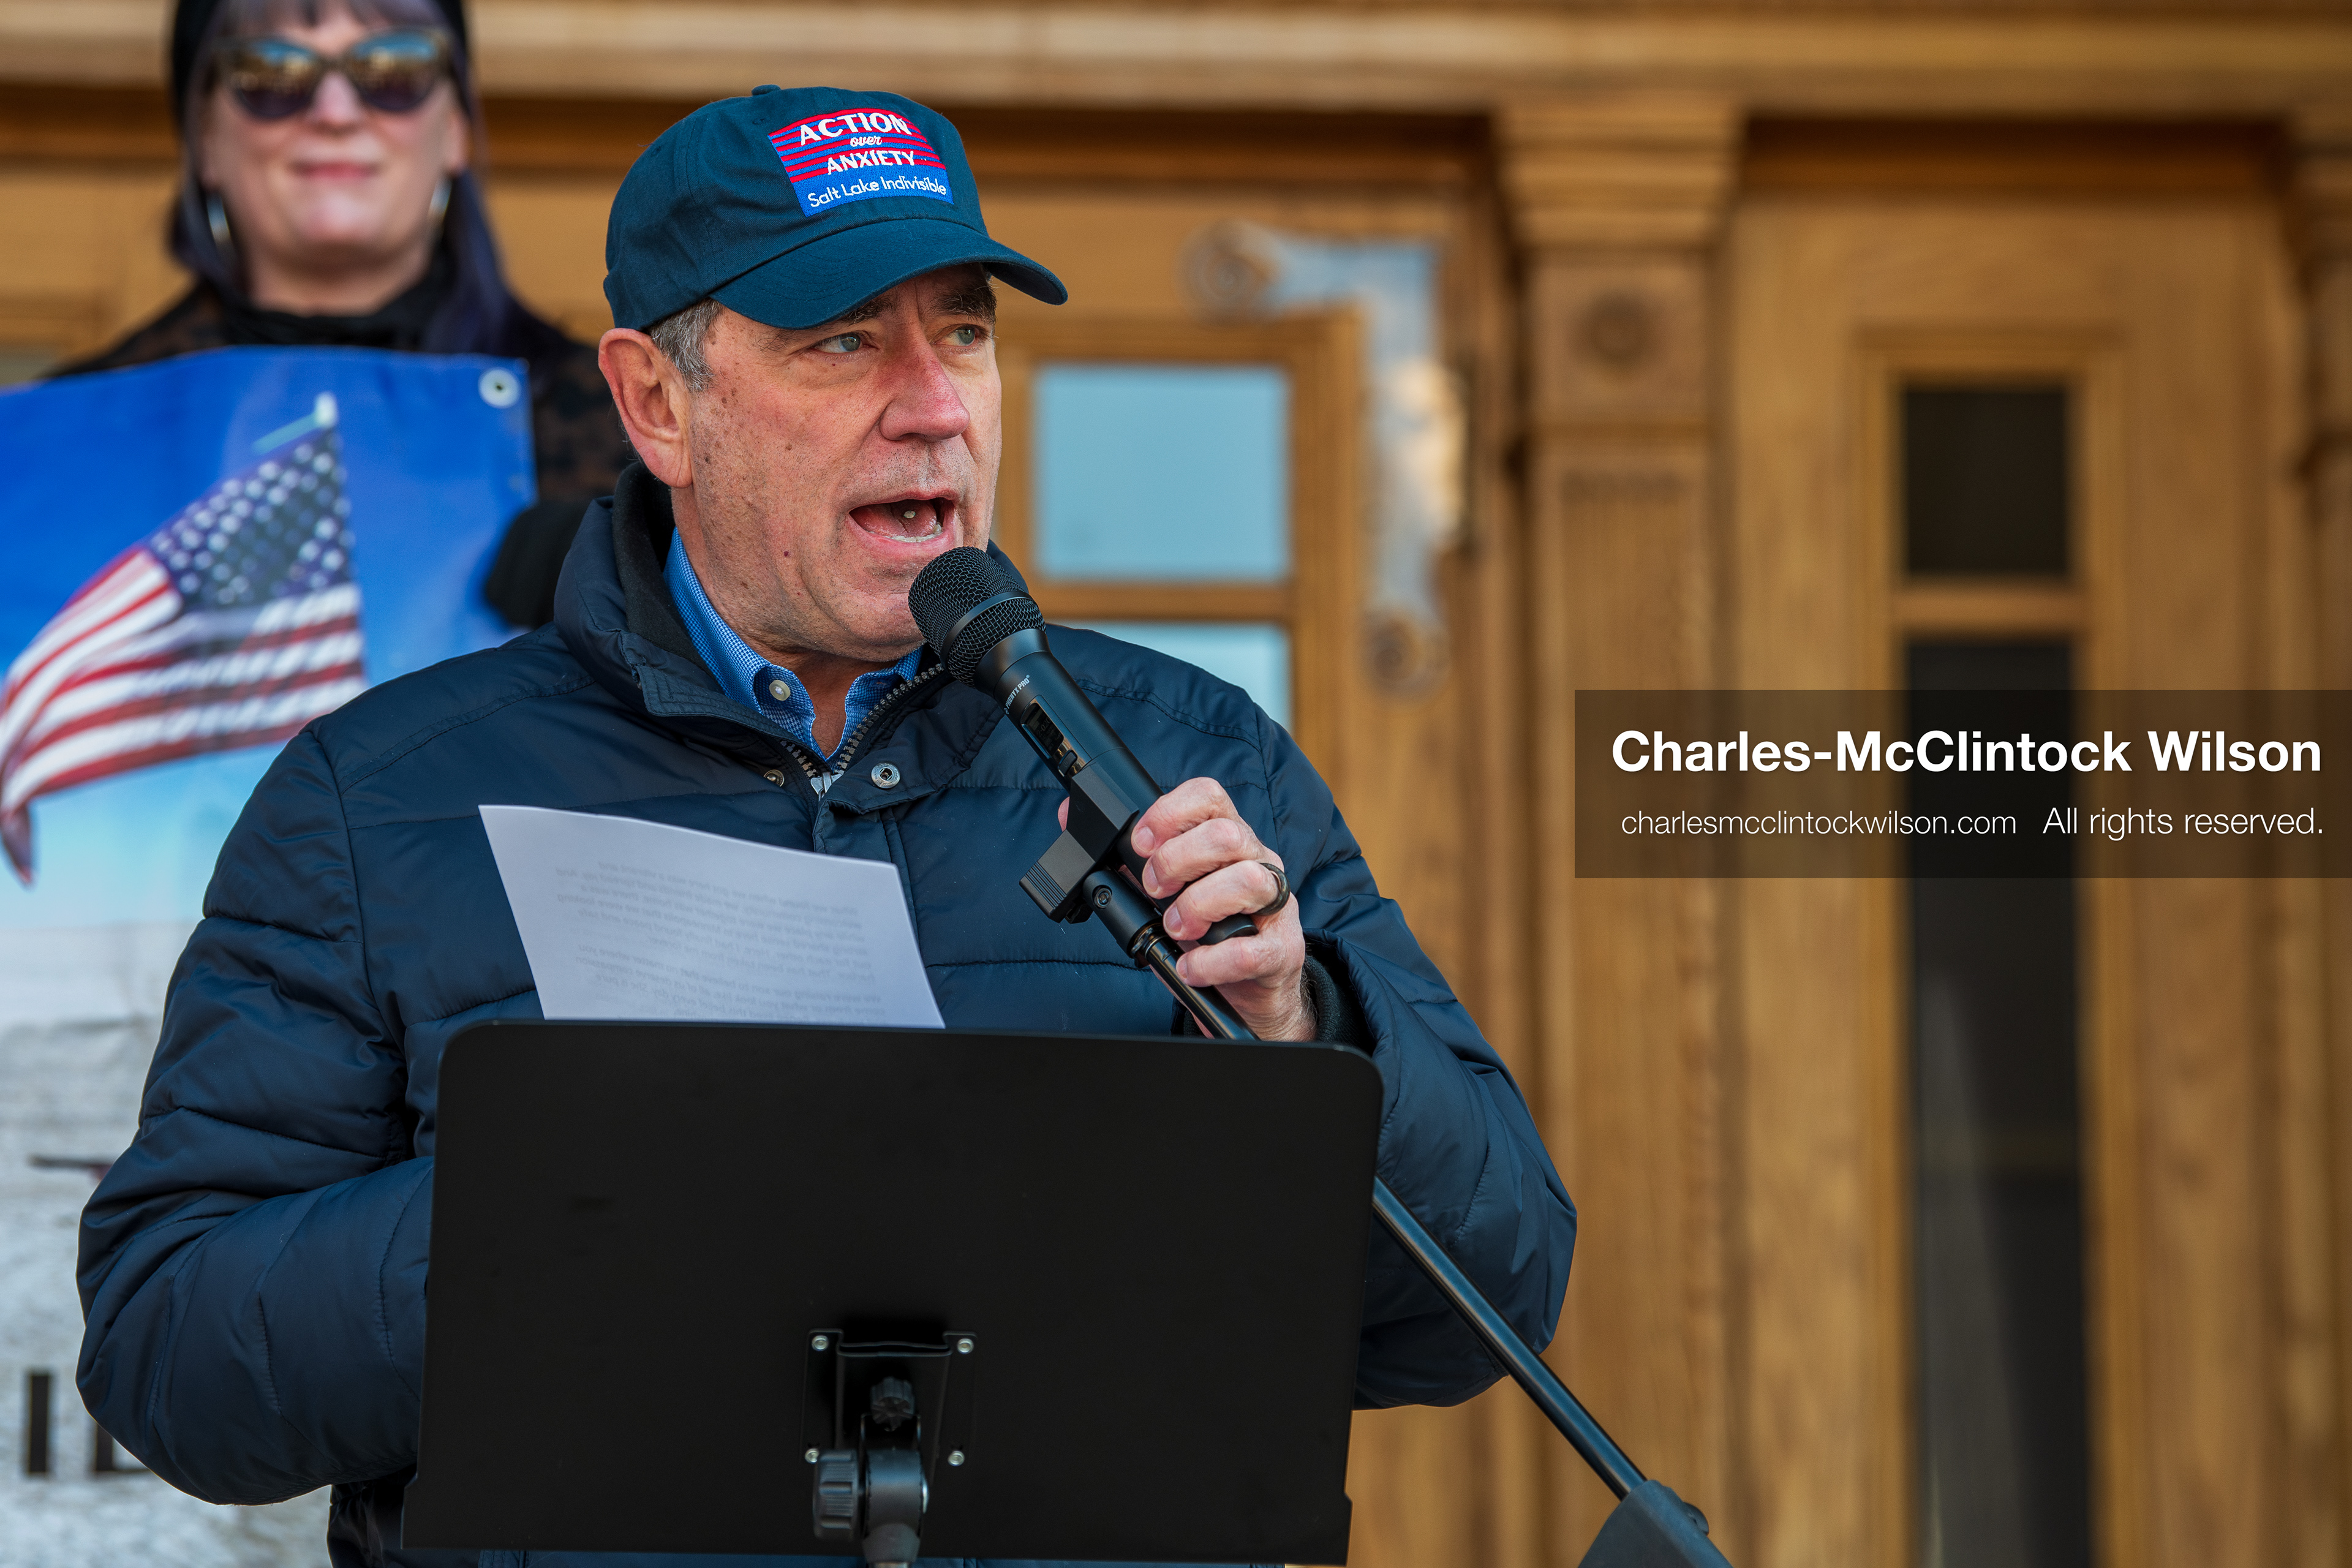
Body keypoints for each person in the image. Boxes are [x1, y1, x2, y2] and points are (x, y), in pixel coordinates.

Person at [76, 86, 1577, 1568]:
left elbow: (1486, 1301)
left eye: (965, 331)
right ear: (659, 403)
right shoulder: (379, 797)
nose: (930, 400)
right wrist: (557, 1199)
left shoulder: (1192, 756)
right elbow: (171, 1356)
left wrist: (1301, 1038)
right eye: (842, 339)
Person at [56, 0, 630, 628]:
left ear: (456, 127)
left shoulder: (628, 436)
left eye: (393, 71)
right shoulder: (69, 436)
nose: (335, 112)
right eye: (272, 74)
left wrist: (650, 593)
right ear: (205, 137)